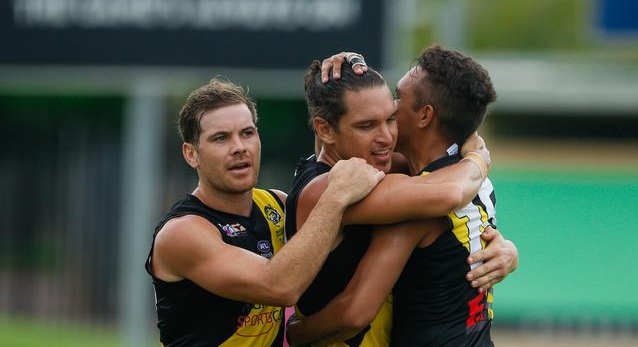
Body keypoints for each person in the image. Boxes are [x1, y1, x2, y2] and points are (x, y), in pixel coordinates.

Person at [287, 47, 517, 346]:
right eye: (368, 124)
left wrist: (291, 334)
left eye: (392, 111)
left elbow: (356, 314)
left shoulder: (417, 193)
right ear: (325, 129)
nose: (386, 131)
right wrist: (477, 158)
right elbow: (450, 191)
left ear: (424, 115)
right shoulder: (461, 181)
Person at [144, 78, 387, 347]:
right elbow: (280, 286)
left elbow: (335, 149)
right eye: (221, 138)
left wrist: (336, 78)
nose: (239, 147)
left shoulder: (276, 205)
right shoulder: (182, 233)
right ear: (192, 154)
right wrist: (336, 197)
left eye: (247, 133)